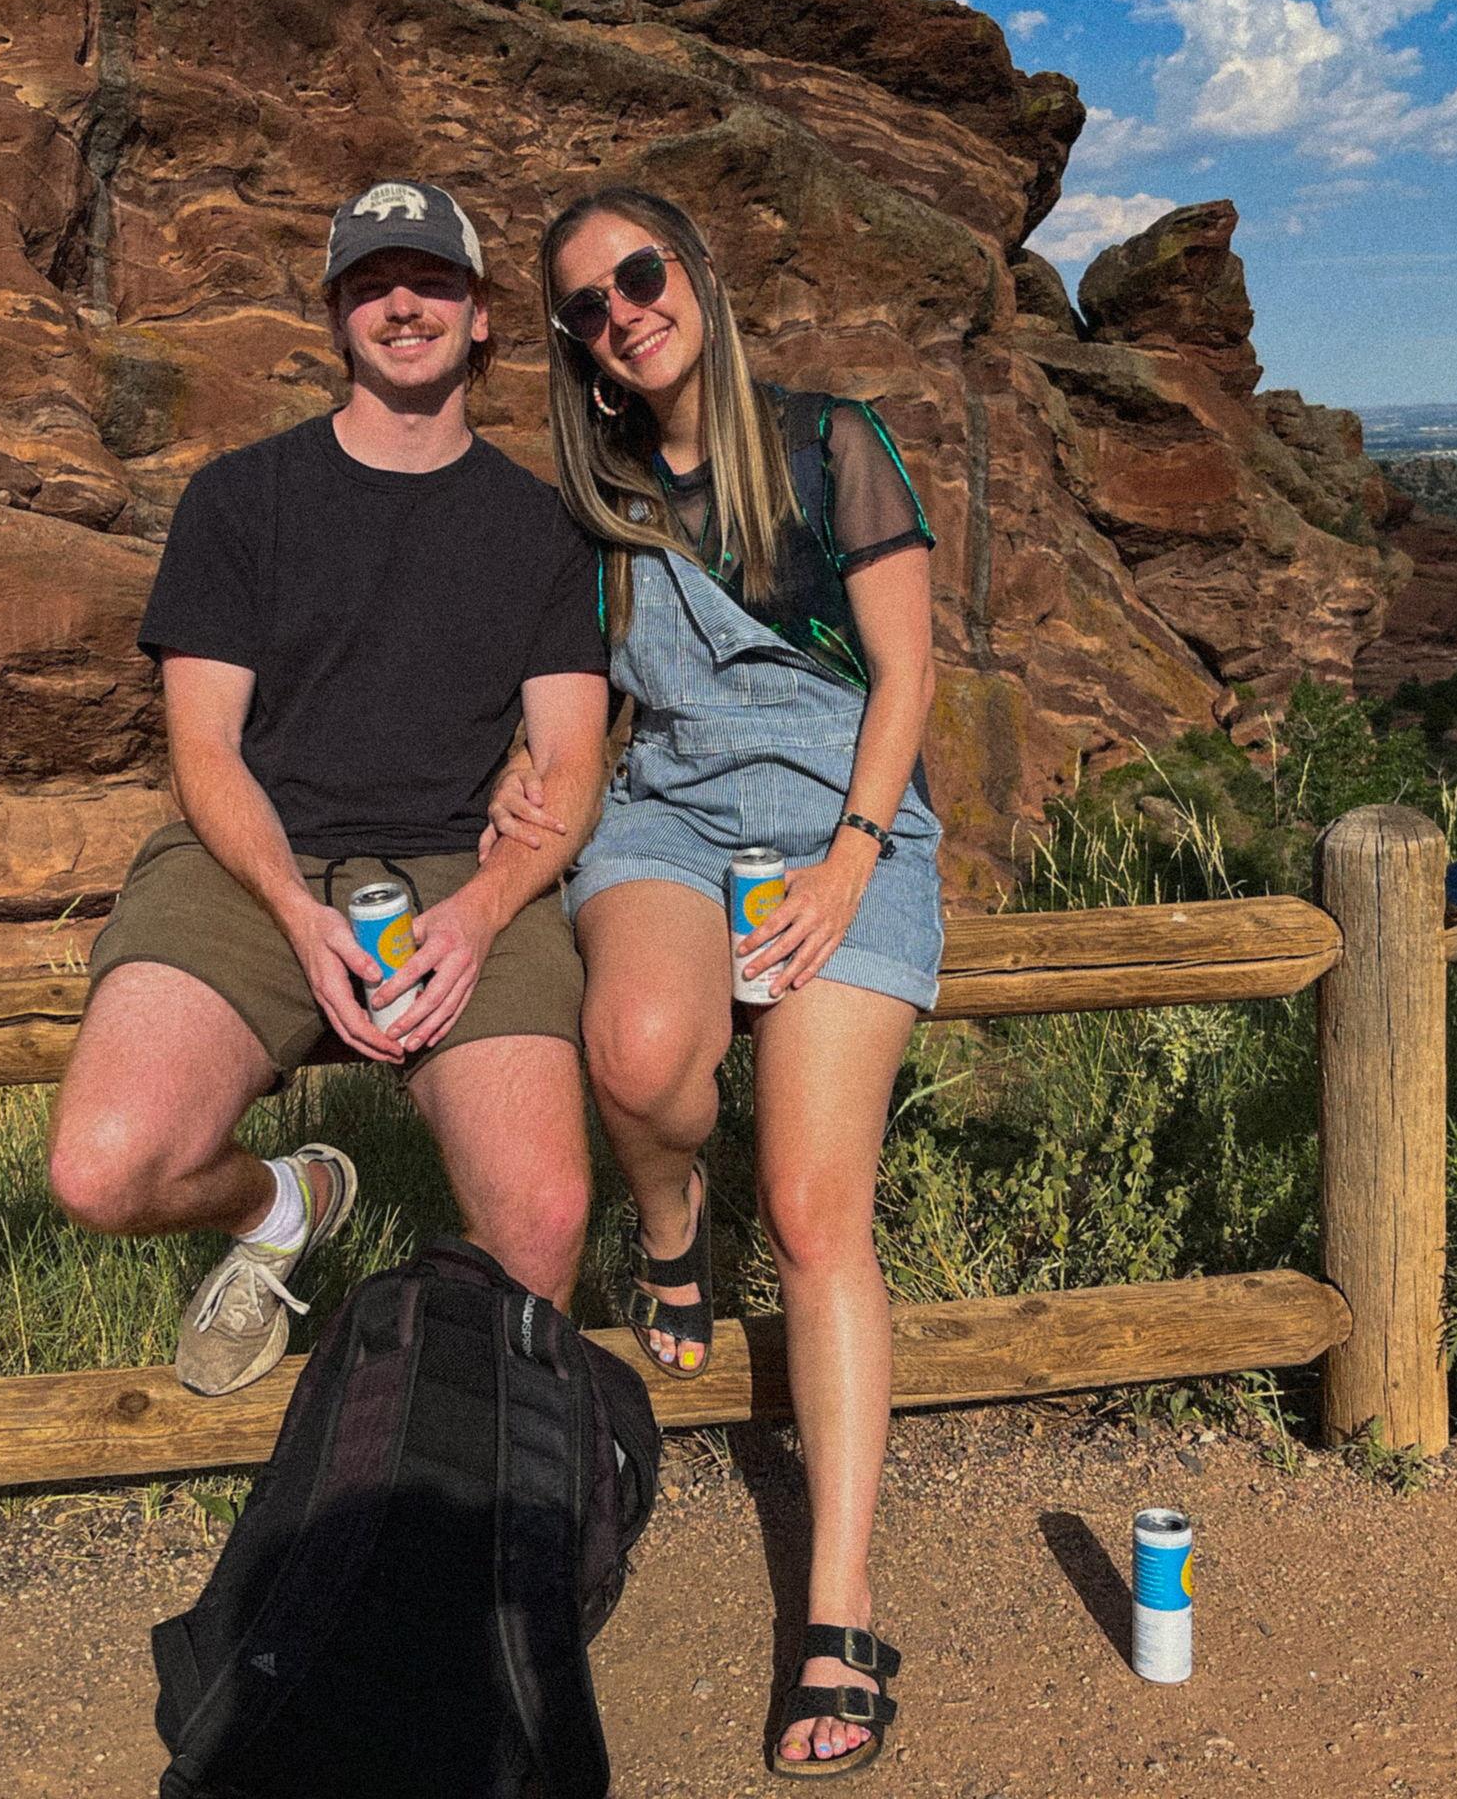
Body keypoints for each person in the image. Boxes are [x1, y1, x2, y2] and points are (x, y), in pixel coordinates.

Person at [492, 187, 943, 1777]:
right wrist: (525, 790)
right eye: (589, 309)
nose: (623, 311)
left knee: (820, 1213)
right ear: (586, 356)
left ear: (695, 276)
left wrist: (847, 863)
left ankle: (837, 1608)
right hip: (672, 819)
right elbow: (597, 716)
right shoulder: (602, 501)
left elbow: (906, 673)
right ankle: (673, 1233)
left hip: (843, 816)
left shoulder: (833, 446)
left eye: (640, 274)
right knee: (635, 1053)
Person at [47, 179, 610, 1399]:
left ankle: (473, 1475)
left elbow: (572, 759)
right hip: (254, 860)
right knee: (107, 1166)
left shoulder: (542, 527)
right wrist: (299, 918)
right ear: (335, 316)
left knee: (545, 1220)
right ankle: (283, 1198)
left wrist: (480, 911)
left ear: (481, 317)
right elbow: (206, 746)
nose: (400, 304)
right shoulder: (241, 498)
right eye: (369, 283)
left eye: (430, 281)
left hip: (463, 868)